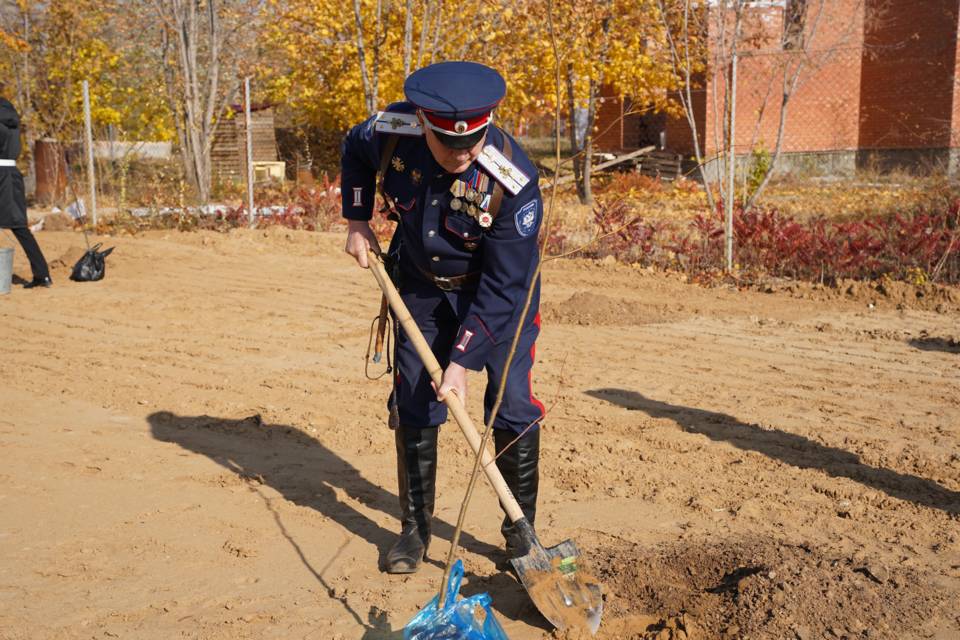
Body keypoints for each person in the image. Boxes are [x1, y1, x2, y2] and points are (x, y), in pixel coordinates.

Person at [341, 61, 544, 574]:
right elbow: (353, 150)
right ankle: (415, 529)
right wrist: (357, 219)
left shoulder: (513, 179)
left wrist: (460, 361)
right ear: (424, 125)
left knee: (513, 402)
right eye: (449, 145)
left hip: (497, 297)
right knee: (412, 397)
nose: (463, 154)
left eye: (472, 144)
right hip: (421, 287)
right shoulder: (393, 131)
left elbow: (504, 287)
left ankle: (521, 534)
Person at [0, 88, 51, 289]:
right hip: (11, 174)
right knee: (19, 226)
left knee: (19, 226)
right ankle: (42, 274)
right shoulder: (10, 114)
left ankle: (42, 274)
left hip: (4, 175)